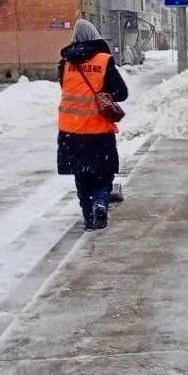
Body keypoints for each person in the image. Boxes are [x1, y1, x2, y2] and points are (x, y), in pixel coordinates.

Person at [58, 20, 128, 231]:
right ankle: (100, 201)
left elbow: (66, 87)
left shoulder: (65, 63)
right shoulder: (104, 61)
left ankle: (89, 218)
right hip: (99, 131)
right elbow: (121, 93)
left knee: (82, 176)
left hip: (71, 131)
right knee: (103, 173)